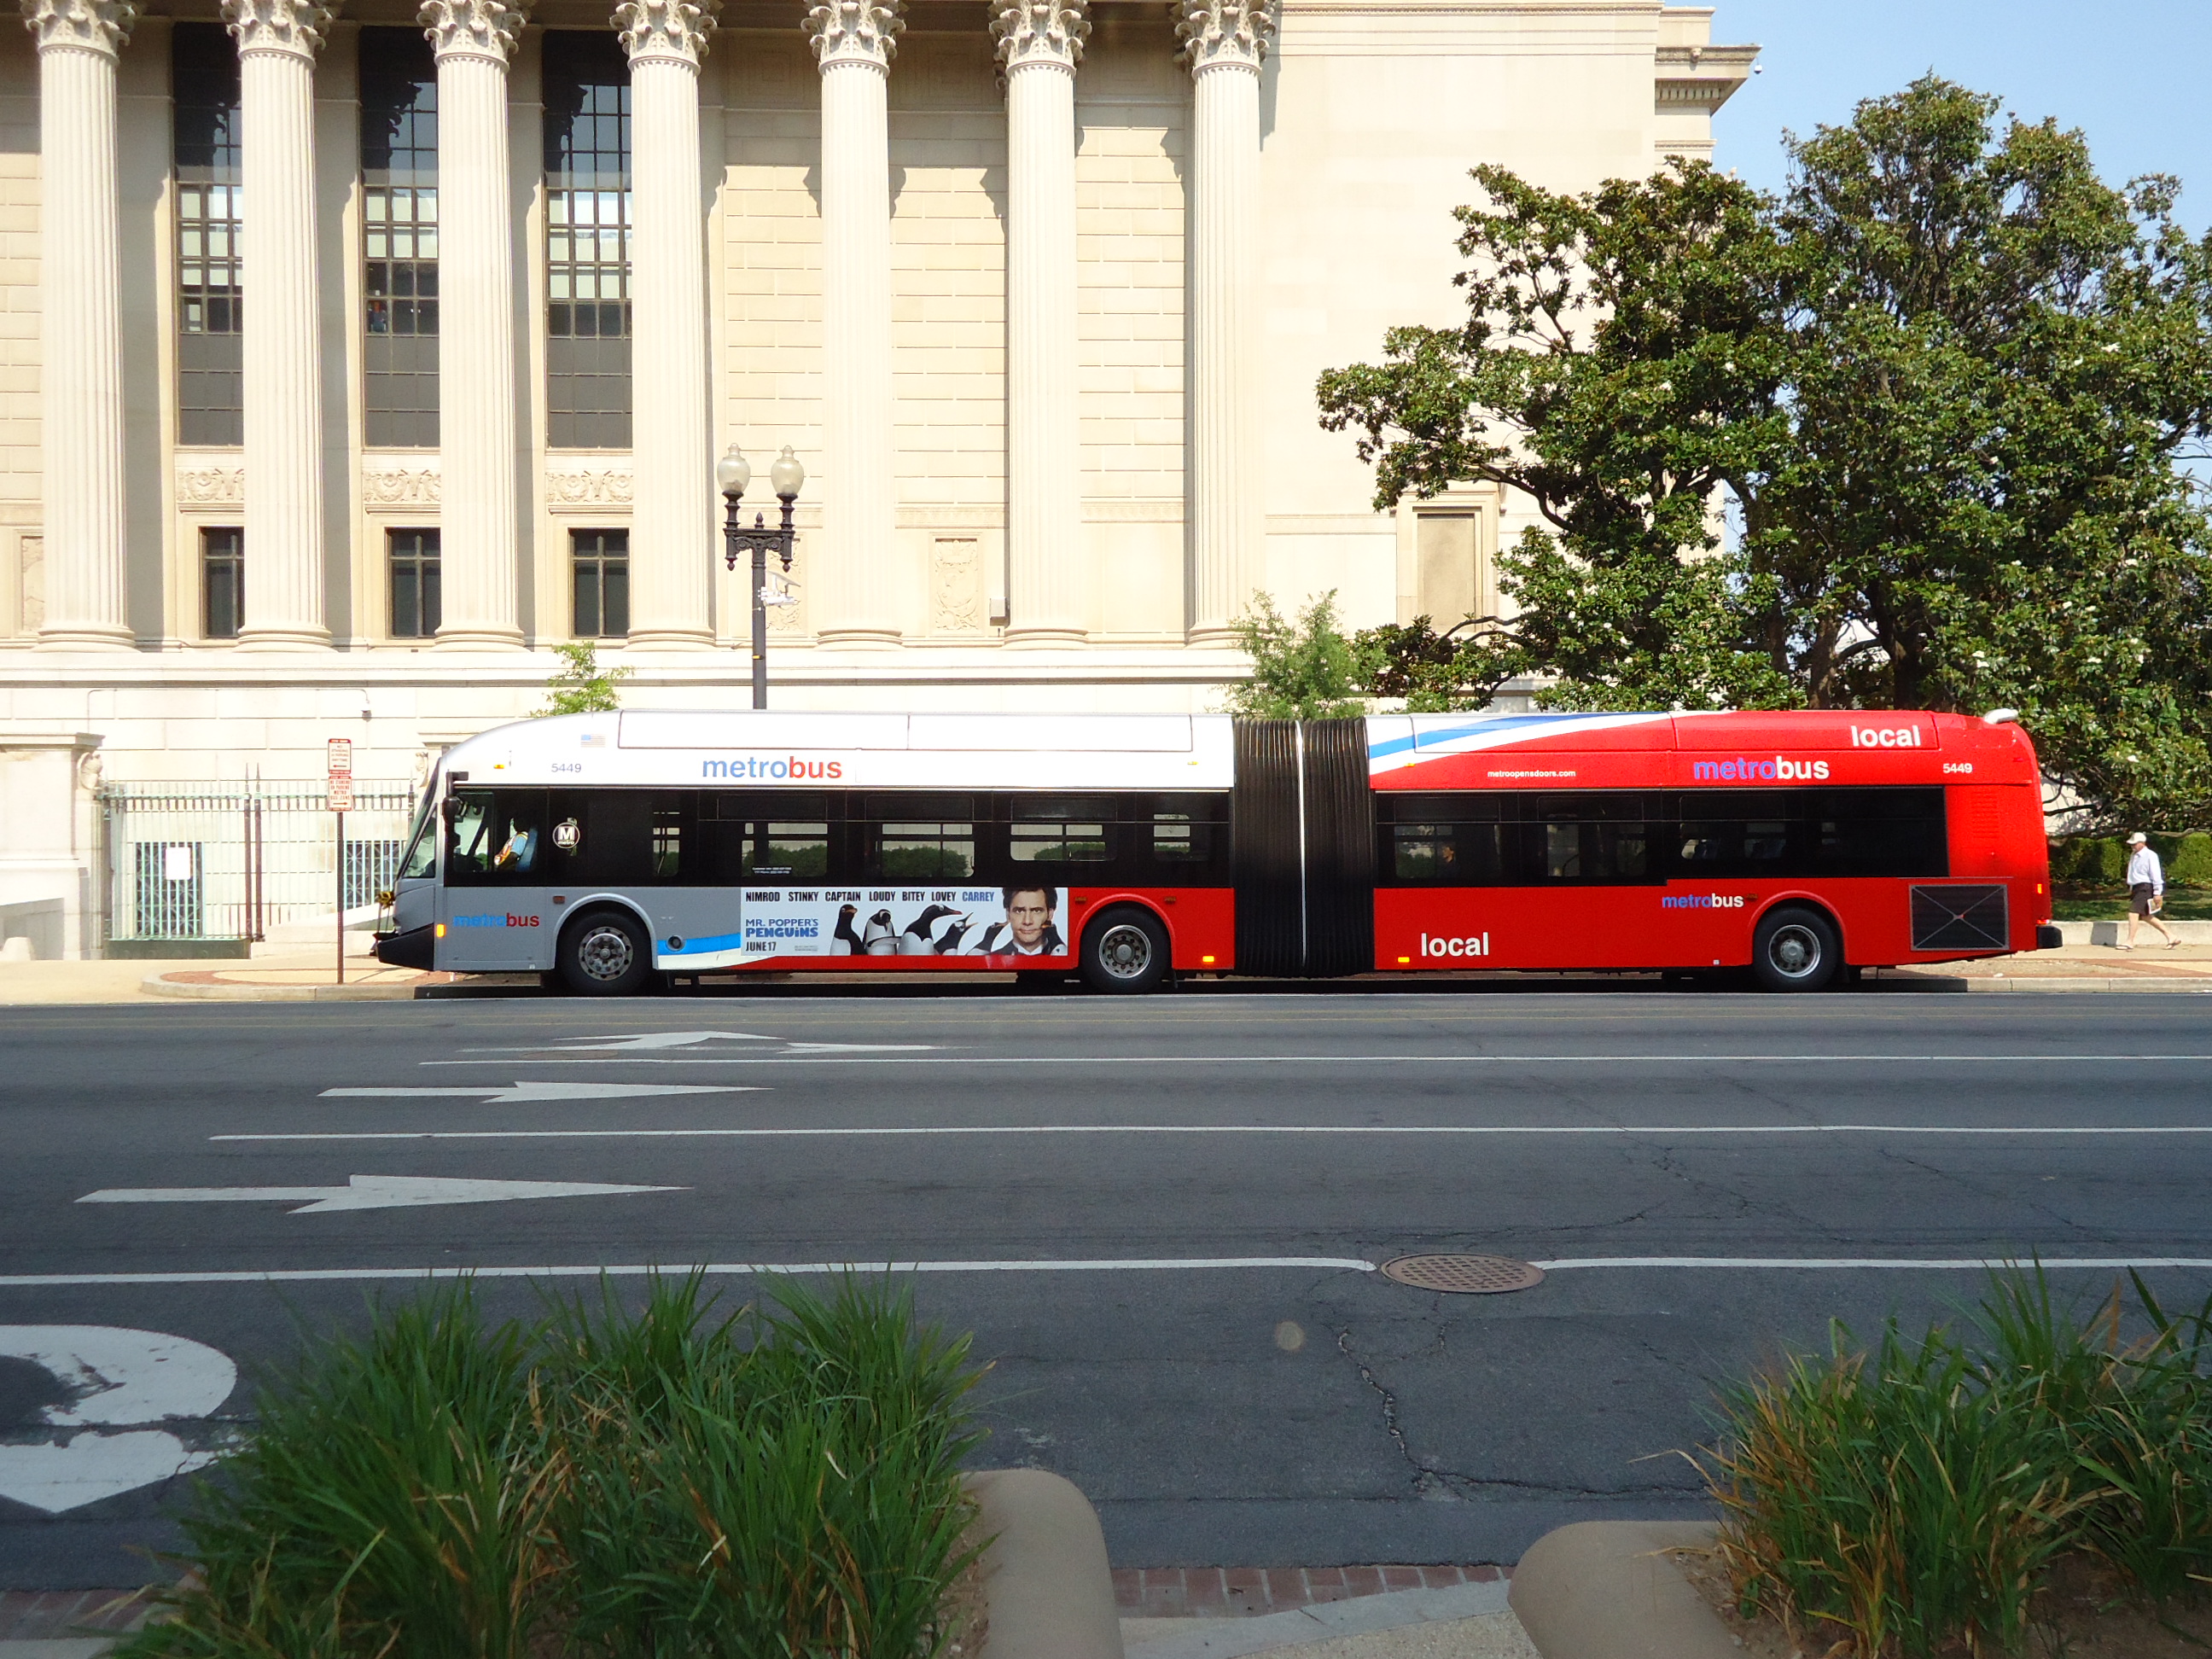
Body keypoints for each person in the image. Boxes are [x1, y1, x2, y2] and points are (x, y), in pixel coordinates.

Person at [962, 885, 1064, 958]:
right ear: (1008, 914)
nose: (1027, 921)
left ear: (1050, 914)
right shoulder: (993, 956)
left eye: (1036, 911)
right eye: (1019, 911)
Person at [2122, 831, 2177, 949]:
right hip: (2137, 887)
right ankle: (2171, 936)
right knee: (2146, 916)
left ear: (2142, 843)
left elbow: (2156, 874)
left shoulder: (2150, 855)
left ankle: (2130, 941)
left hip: (2145, 887)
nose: (2133, 846)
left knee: (2133, 913)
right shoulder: (2134, 855)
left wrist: (2158, 893)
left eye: (2135, 844)